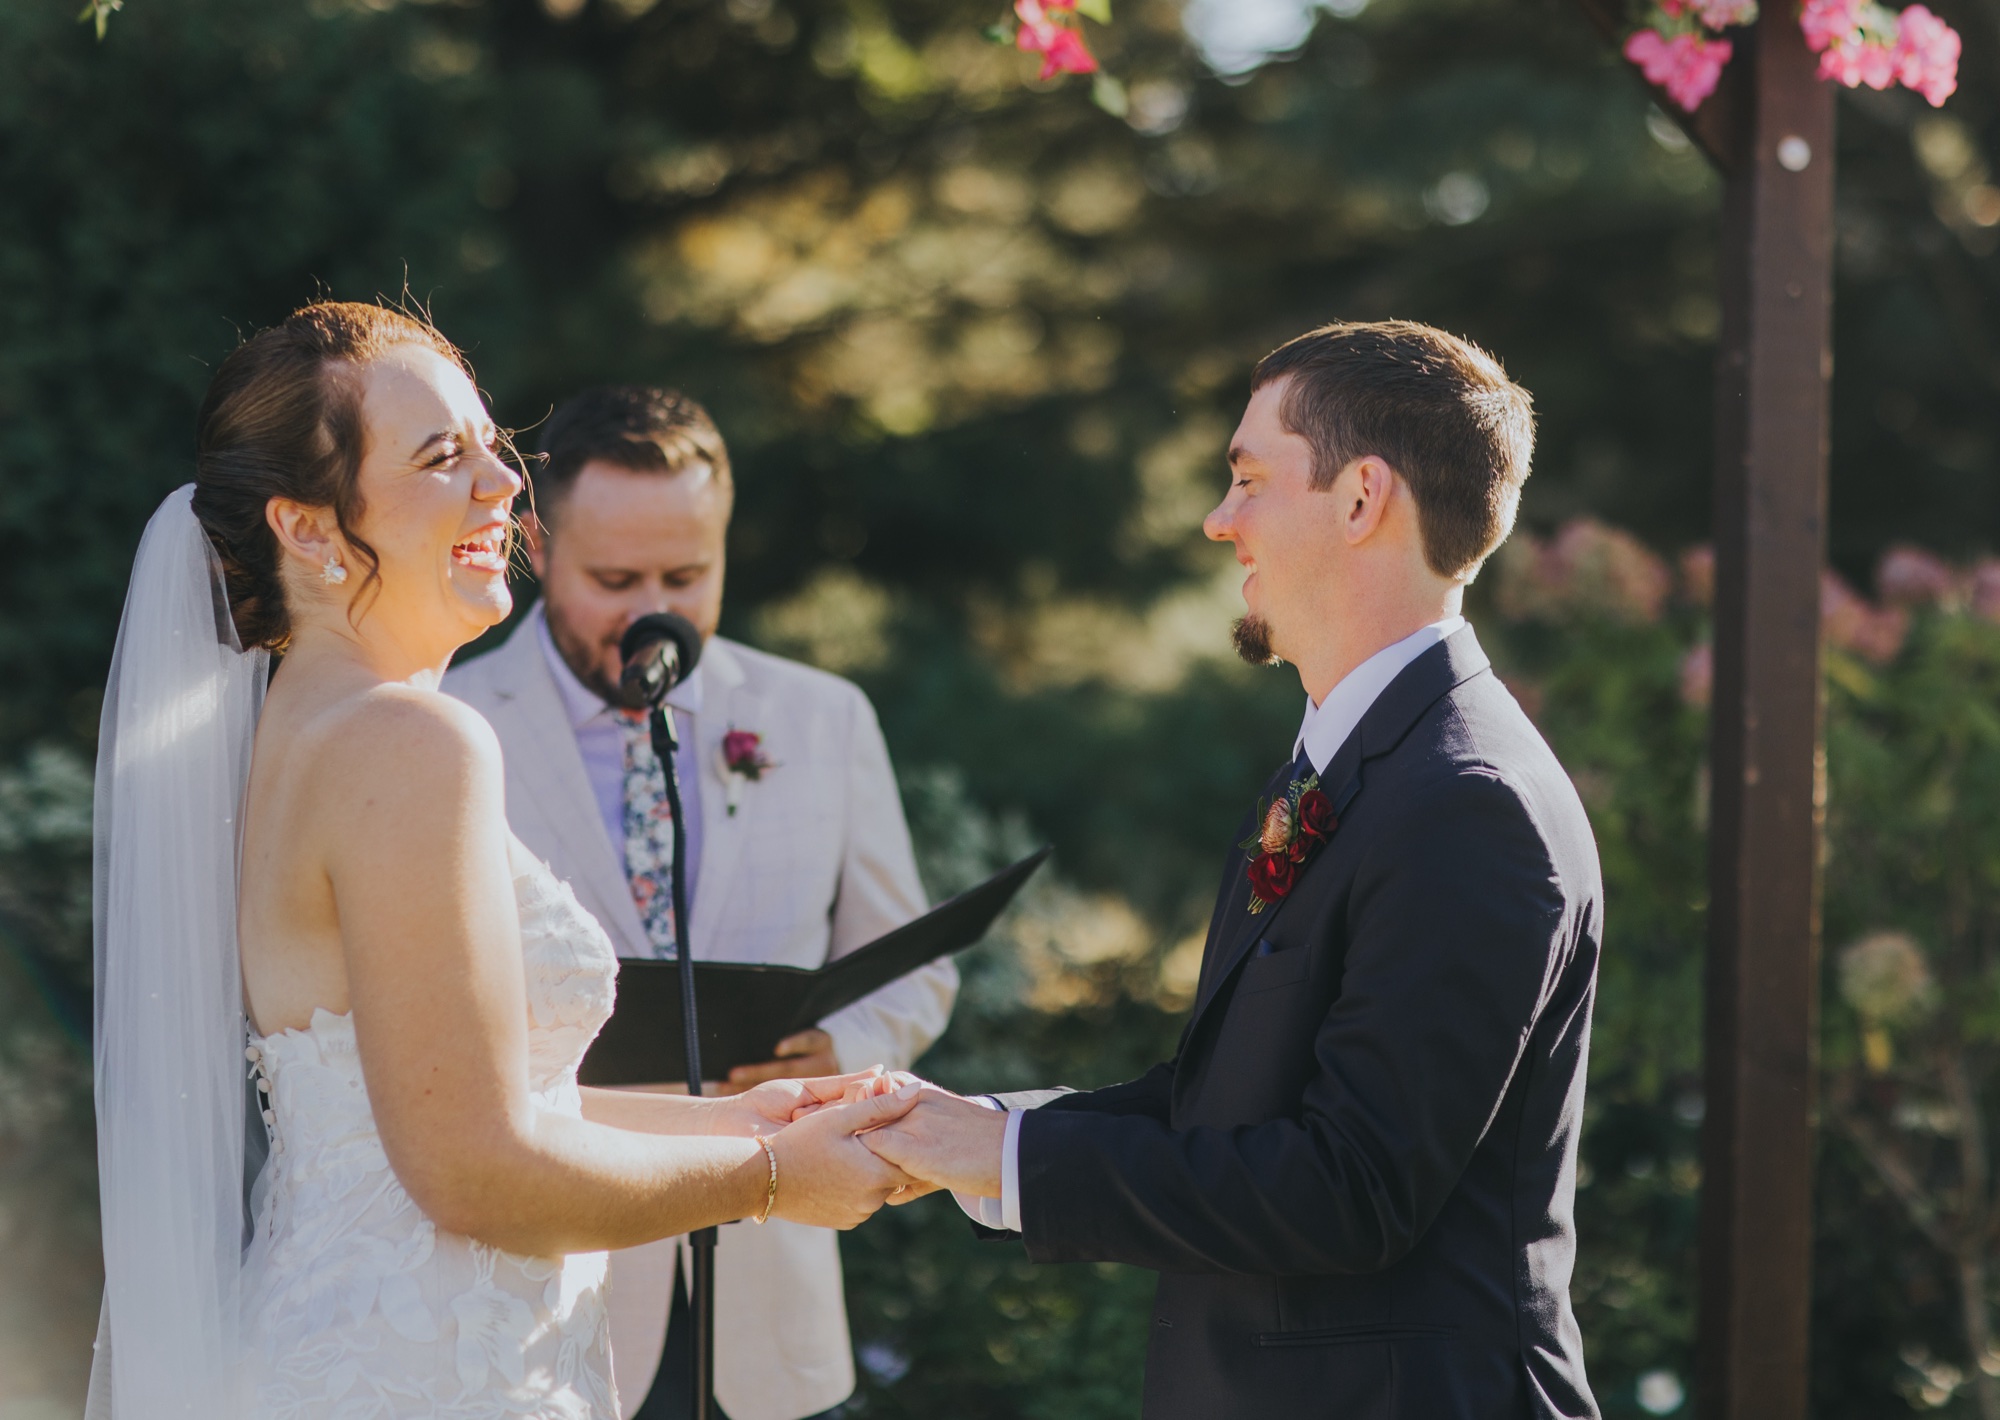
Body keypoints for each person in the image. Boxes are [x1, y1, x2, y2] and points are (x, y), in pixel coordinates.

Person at [86, 302, 923, 1420]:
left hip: (351, 1346)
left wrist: (763, 1115)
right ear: (309, 529)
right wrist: (773, 1180)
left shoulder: (296, 732)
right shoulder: (410, 742)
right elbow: (474, 1171)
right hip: (428, 1378)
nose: (501, 485)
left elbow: (497, 1110)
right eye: (443, 457)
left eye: (493, 445)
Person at [863, 321, 1604, 1420]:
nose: (1219, 519)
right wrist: (956, 1132)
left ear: (1359, 499)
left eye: (1248, 479)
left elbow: (1349, 1188)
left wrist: (1006, 1155)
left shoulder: (1466, 802)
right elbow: (1232, 1104)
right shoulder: (1343, 769)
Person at [444, 386, 954, 1420]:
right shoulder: (446, 724)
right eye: (614, 578)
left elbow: (914, 962)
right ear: (536, 544)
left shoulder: (823, 718)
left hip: (773, 1302)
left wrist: (839, 1052)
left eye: (685, 575)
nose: (650, 611)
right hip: (546, 1301)